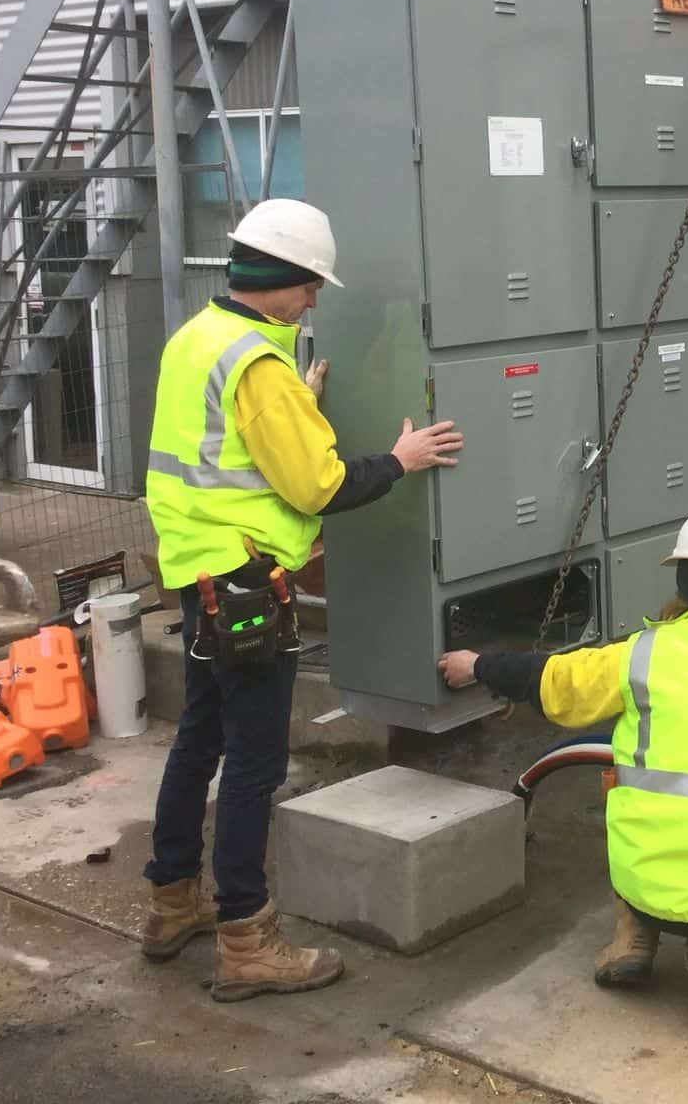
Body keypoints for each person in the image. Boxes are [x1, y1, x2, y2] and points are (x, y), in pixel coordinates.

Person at [141, 198, 463, 1001]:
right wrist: (401, 458)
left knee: (198, 739)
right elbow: (317, 485)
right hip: (249, 587)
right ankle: (246, 937)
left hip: (197, 575)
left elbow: (227, 450)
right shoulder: (258, 368)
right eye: (310, 286)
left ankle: (170, 902)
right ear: (278, 280)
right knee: (255, 762)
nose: (315, 300)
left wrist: (298, 402)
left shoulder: (199, 339)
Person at [437, 501, 688, 1034]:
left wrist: (478, 665)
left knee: (623, 792)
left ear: (682, 582)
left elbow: (553, 682)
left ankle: (633, 940)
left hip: (646, 873)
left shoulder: (640, 656)